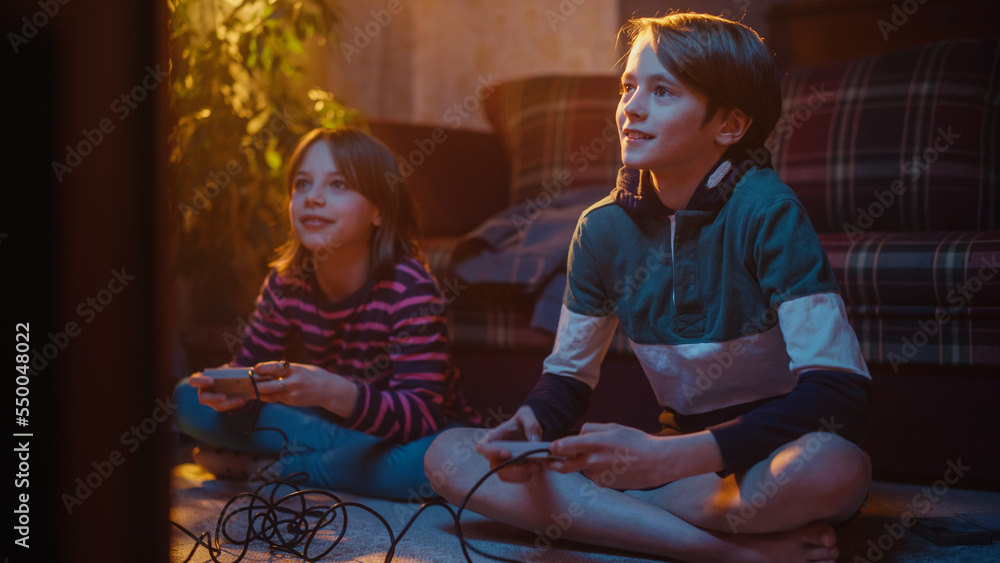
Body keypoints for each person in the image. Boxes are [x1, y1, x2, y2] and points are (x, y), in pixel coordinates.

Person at [424, 13, 871, 563]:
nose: (630, 107)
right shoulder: (601, 228)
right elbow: (566, 380)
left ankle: (621, 518)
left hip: (755, 462)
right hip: (681, 479)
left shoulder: (768, 212)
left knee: (836, 466)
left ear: (729, 125)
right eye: (629, 86)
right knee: (448, 455)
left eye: (662, 91)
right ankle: (729, 552)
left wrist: (665, 462)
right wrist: (530, 422)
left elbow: (838, 393)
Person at [174, 127, 481, 500]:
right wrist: (231, 391)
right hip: (334, 423)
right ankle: (344, 458)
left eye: (337, 185)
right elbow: (250, 372)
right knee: (186, 397)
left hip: (419, 433)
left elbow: (421, 418)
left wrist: (330, 391)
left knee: (439, 463)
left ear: (379, 210)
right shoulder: (287, 282)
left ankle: (287, 469)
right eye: (302, 184)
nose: (313, 198)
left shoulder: (409, 288)